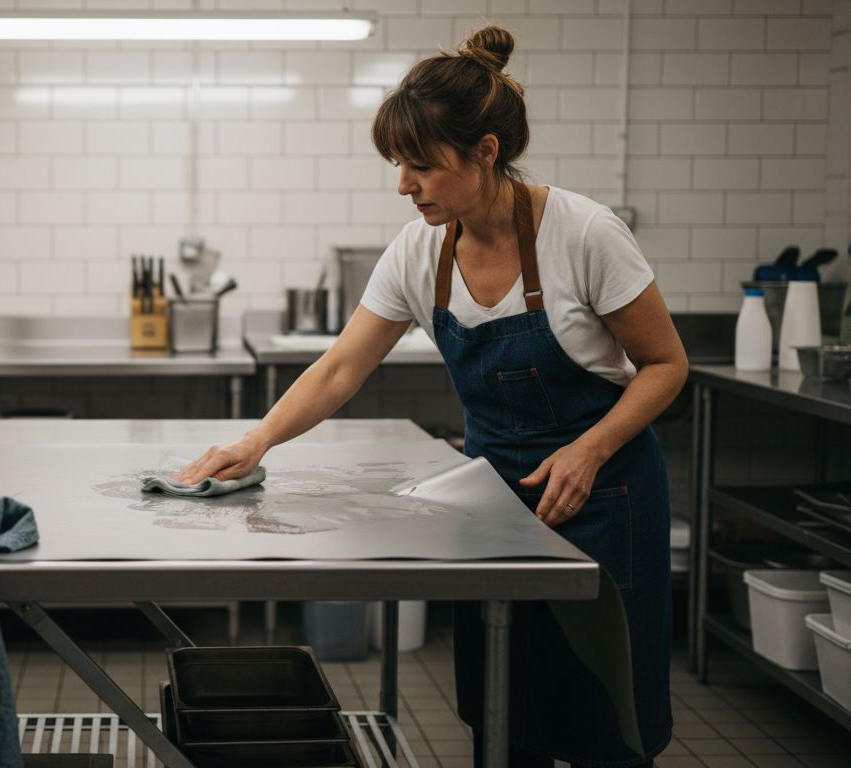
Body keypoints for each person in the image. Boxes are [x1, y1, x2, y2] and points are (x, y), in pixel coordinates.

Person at [173, 24, 686, 768]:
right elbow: (342, 366)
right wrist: (256, 442)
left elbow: (667, 365)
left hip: (604, 498)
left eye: (420, 166)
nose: (404, 186)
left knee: (606, 719)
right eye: (397, 165)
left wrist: (589, 448)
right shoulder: (419, 251)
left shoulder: (585, 234)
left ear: (484, 153)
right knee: (504, 713)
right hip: (493, 508)